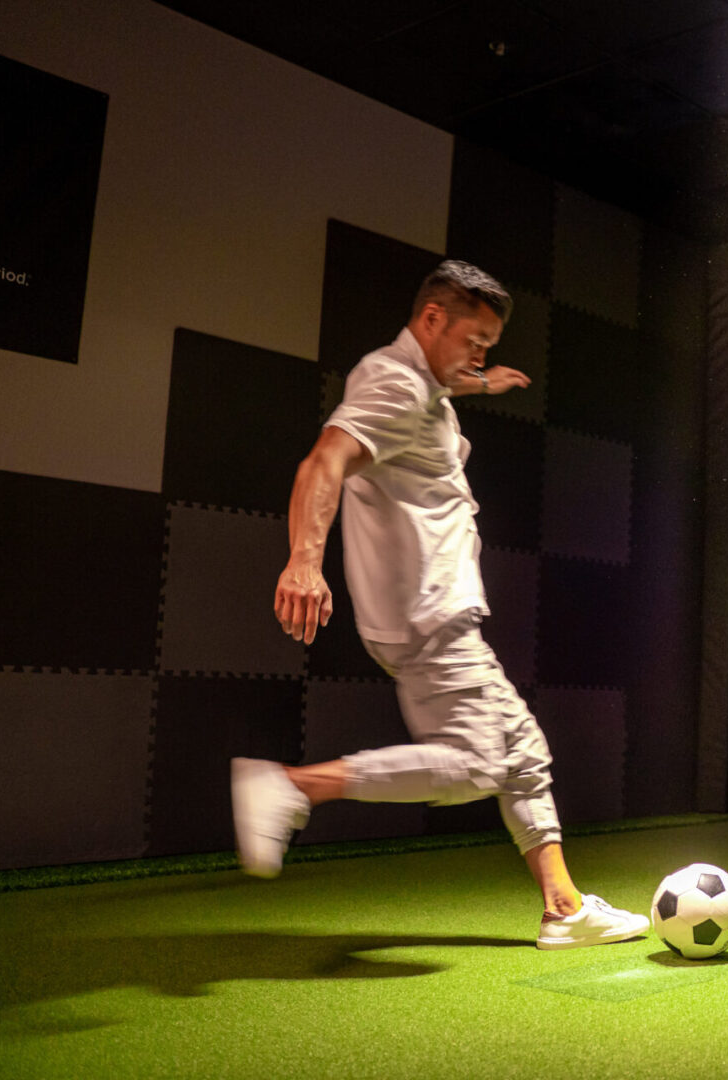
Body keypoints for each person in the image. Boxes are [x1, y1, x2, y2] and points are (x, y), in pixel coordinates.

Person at [230, 260, 650, 950]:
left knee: (522, 754)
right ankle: (297, 785)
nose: (483, 353)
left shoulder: (421, 386)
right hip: (429, 613)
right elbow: (323, 462)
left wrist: (478, 381)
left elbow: (435, 392)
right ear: (431, 321)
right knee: (479, 763)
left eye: (489, 344)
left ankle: (564, 907)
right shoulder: (395, 385)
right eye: (474, 339)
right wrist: (304, 560)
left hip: (436, 612)